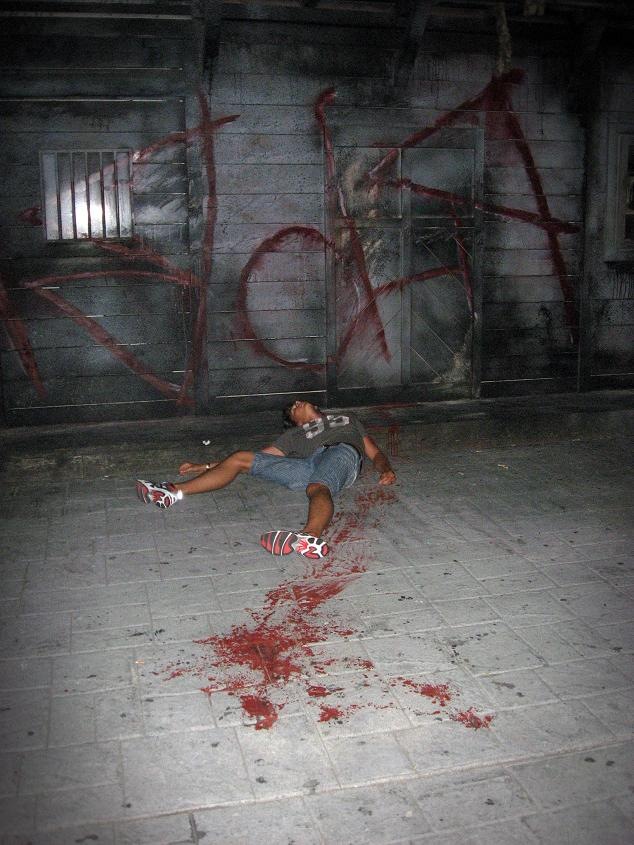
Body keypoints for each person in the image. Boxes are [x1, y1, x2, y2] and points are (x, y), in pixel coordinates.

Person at [136, 399, 396, 559]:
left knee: (318, 486)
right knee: (241, 457)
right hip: (307, 464)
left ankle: (310, 537)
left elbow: (374, 452)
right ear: (295, 422)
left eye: (298, 402)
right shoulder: (293, 436)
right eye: (293, 408)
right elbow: (262, 456)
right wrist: (202, 465)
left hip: (342, 454)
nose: (297, 403)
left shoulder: (346, 419)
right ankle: (172, 492)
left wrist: (385, 468)